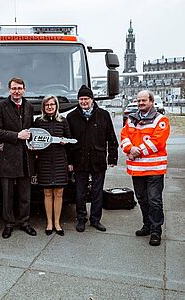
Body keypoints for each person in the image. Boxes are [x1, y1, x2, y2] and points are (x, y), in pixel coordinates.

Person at [121, 90, 170, 246]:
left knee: (154, 200)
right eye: (138, 101)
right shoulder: (131, 119)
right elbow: (124, 136)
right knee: (142, 199)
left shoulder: (161, 120)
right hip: (137, 169)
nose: (140, 103)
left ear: (151, 102)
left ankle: (156, 230)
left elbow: (157, 142)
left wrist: (136, 151)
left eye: (144, 100)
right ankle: (147, 225)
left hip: (154, 169)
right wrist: (129, 149)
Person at [67, 85, 118, 233]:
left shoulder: (103, 115)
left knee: (97, 191)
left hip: (98, 158)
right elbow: (68, 142)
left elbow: (111, 138)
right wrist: (69, 162)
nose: (83, 101)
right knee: (80, 192)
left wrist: (112, 157)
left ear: (92, 99)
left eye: (86, 99)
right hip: (79, 159)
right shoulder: (72, 117)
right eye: (81, 99)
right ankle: (81, 219)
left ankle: (95, 219)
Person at [0, 77, 37, 239]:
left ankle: (25, 222)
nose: (16, 91)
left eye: (19, 88)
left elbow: (31, 130)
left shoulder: (30, 107)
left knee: (25, 194)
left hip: (26, 157)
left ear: (24, 89)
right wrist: (17, 135)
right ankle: (8, 224)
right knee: (7, 194)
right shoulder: (0, 107)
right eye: (13, 88)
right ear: (9, 90)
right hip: (8, 157)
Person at [34, 95, 71, 236]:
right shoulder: (38, 122)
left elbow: (69, 139)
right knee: (47, 192)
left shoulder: (63, 121)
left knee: (59, 193)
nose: (49, 107)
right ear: (43, 107)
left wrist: (65, 141)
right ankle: (49, 222)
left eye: (52, 104)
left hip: (60, 160)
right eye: (47, 105)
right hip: (45, 161)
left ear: (56, 106)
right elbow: (33, 140)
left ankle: (57, 223)